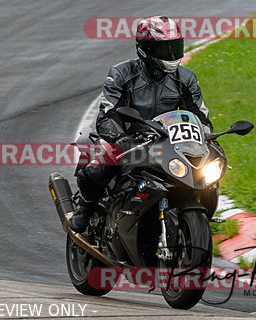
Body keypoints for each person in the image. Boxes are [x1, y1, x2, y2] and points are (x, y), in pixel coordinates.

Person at [69, 16, 215, 234]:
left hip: (169, 140)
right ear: (145, 49)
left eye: (175, 46)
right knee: (99, 169)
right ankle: (85, 209)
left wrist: (206, 135)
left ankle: (194, 220)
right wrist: (120, 138)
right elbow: (108, 115)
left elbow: (199, 115)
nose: (172, 54)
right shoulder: (122, 74)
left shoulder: (186, 78)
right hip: (128, 138)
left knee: (207, 169)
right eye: (164, 49)